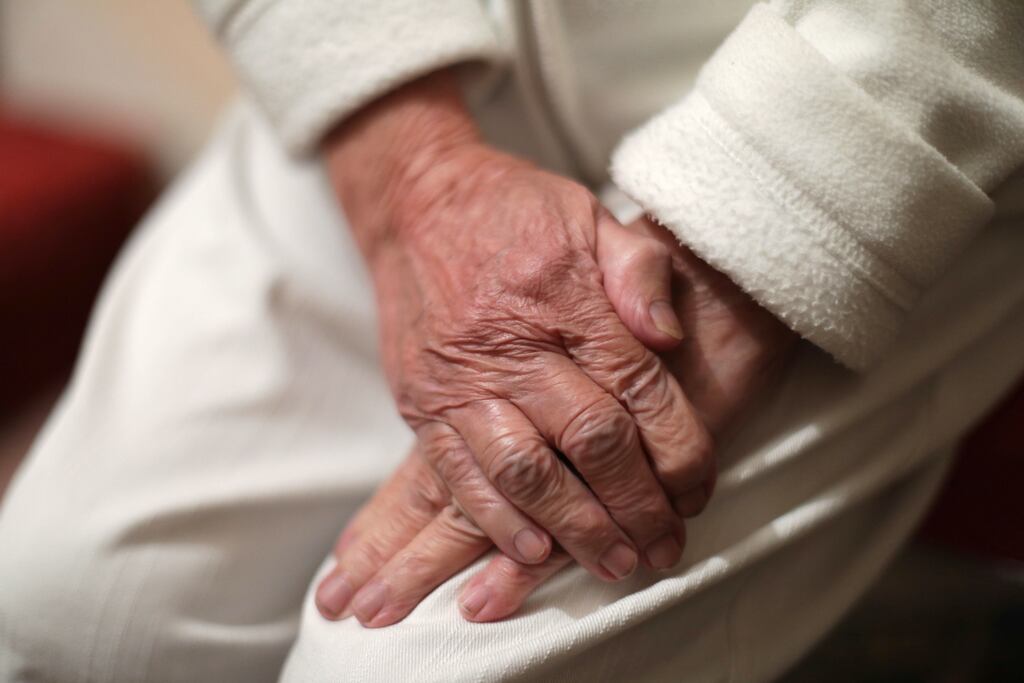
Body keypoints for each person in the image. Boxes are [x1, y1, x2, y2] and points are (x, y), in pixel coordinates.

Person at [2, 1, 1023, 681]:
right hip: (400, 56)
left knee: (403, 668)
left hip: (847, 92)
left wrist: (767, 227)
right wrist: (408, 170)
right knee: (76, 614)